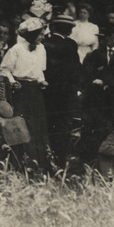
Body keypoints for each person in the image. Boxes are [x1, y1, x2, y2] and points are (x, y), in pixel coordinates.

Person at [0, 17, 50, 169]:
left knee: (38, 125)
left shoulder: (41, 49)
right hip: (20, 90)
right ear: (32, 34)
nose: (42, 37)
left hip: (35, 91)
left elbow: (40, 70)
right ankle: (21, 163)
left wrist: (41, 81)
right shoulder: (16, 49)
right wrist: (12, 82)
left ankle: (39, 164)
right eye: (40, 34)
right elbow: (4, 70)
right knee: (22, 125)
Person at [82, 22, 114, 156]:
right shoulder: (95, 54)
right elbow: (88, 73)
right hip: (99, 96)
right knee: (99, 124)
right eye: (105, 35)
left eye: (110, 35)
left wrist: (106, 81)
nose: (107, 38)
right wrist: (95, 81)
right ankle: (98, 153)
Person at [42, 12, 82, 166]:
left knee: (49, 124)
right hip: (66, 93)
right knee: (63, 126)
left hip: (49, 91)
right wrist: (76, 87)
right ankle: (60, 159)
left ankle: (49, 158)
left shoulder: (45, 43)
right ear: (69, 29)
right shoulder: (70, 44)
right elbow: (75, 69)